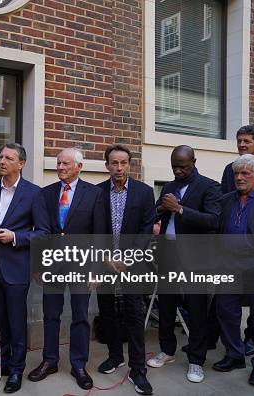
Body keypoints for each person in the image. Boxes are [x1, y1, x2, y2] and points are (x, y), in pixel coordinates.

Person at [28, 147, 107, 390]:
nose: (60, 167)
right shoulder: (46, 194)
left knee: (80, 316)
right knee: (51, 314)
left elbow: (100, 235)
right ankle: (49, 360)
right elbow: (40, 232)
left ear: (79, 167)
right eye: (58, 163)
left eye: (66, 164)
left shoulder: (94, 194)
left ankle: (78, 364)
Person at [148, 146, 221, 383]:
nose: (178, 171)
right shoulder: (169, 187)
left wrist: (179, 209)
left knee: (196, 309)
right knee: (166, 307)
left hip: (195, 258)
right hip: (168, 253)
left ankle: (196, 360)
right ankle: (167, 351)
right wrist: (161, 208)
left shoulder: (209, 186)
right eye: (174, 167)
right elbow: (157, 214)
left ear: (194, 162)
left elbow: (213, 221)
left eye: (183, 167)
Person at [0, 143, 47, 393]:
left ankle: (17, 369)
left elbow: (43, 233)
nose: (2, 161)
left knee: (16, 320)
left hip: (17, 267)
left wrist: (16, 237)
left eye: (8, 158)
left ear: (21, 164)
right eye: (1, 157)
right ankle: (2, 362)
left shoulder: (34, 193)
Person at [213, 154, 254, 387]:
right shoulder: (226, 200)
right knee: (226, 312)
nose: (239, 178)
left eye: (245, 173)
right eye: (236, 173)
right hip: (229, 266)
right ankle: (234, 355)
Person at [96, 145, 155, 395]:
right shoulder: (97, 192)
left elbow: (146, 229)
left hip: (134, 264)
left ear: (129, 164)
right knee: (107, 311)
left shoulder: (144, 192)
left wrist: (128, 258)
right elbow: (95, 229)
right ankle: (115, 356)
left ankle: (138, 369)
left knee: (133, 313)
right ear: (107, 165)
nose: (119, 168)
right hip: (105, 263)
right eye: (114, 163)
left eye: (123, 163)